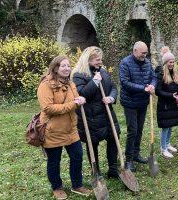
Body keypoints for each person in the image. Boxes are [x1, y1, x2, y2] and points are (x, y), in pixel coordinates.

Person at [37, 55, 91, 199]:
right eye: (63, 66)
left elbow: (76, 98)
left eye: (68, 65)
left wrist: (81, 99)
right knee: (54, 161)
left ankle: (77, 185)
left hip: (71, 129)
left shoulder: (71, 83)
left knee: (77, 156)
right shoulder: (45, 85)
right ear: (55, 68)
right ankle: (57, 187)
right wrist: (74, 104)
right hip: (52, 131)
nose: (67, 68)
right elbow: (48, 108)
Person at [71, 46, 120, 179]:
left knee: (114, 137)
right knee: (92, 143)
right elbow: (82, 94)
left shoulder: (103, 71)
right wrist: (95, 82)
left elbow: (113, 87)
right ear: (89, 59)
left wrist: (111, 97)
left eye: (100, 59)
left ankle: (113, 169)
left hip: (106, 113)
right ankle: (95, 170)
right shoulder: (79, 75)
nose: (100, 62)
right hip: (90, 116)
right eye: (97, 60)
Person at [119, 41, 157, 172]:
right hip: (130, 102)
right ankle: (128, 159)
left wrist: (152, 85)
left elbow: (153, 76)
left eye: (146, 53)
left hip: (143, 102)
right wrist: (143, 89)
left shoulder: (147, 62)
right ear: (135, 51)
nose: (144, 56)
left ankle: (136, 154)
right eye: (142, 53)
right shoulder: (125, 63)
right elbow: (124, 82)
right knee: (132, 130)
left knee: (139, 130)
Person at [155, 51, 178, 158]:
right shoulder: (160, 74)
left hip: (174, 104)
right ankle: (163, 148)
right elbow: (158, 91)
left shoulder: (177, 72)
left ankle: (167, 144)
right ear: (165, 63)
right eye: (169, 62)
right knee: (165, 127)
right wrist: (171, 95)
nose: (172, 64)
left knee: (171, 124)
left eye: (173, 62)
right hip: (165, 105)